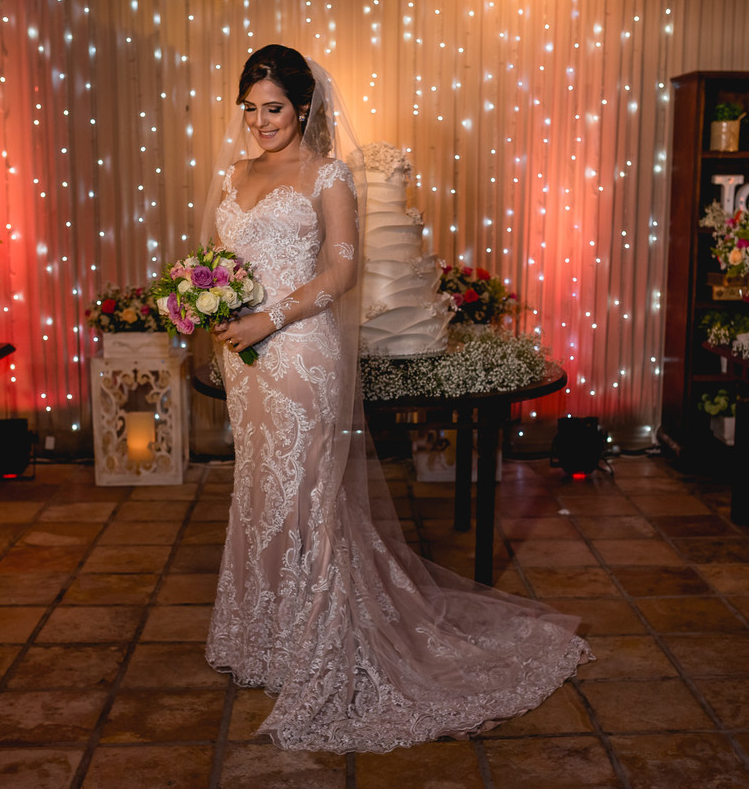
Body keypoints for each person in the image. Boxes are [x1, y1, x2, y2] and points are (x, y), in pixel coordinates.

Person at [204, 44, 591, 754]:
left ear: (304, 108)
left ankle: (321, 651)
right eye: (252, 108)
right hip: (248, 362)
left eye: (275, 109)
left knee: (308, 494)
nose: (261, 121)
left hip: (302, 350)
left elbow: (343, 270)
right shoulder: (235, 174)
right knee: (259, 489)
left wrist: (268, 317)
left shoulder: (328, 173)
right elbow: (228, 263)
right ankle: (270, 635)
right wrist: (212, 302)